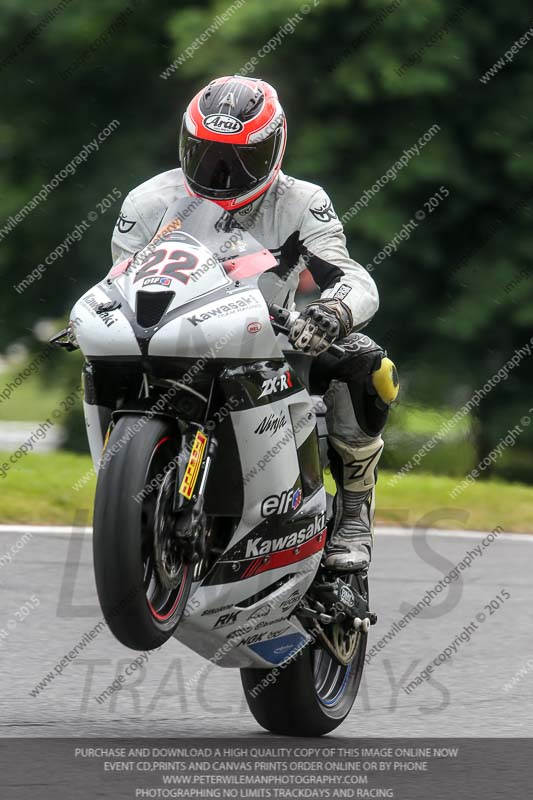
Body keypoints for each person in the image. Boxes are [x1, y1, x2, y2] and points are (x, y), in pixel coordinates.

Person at [111, 75, 399, 573]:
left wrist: (332, 312)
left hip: (272, 340)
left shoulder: (303, 201)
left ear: (275, 148)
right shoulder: (148, 202)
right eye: (209, 155)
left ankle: (354, 511)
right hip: (173, 337)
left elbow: (351, 276)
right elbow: (118, 280)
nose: (222, 173)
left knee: (367, 361)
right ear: (185, 142)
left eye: (241, 159)